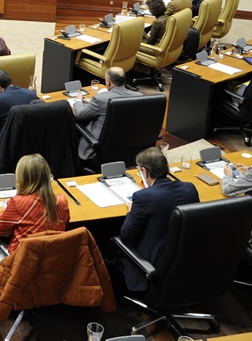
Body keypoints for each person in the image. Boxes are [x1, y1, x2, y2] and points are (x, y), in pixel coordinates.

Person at [118, 147, 199, 292]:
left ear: (145, 172)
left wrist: (131, 212)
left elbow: (126, 234)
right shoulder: (190, 188)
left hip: (154, 261)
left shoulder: (143, 197)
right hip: (187, 258)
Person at [0, 154, 70, 255]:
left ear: (21, 179)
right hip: (53, 261)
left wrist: (5, 211)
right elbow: (65, 224)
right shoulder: (62, 201)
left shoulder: (18, 202)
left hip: (21, 262)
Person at [72, 67, 141, 162]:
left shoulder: (101, 99)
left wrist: (78, 101)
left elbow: (80, 115)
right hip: (129, 150)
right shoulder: (139, 97)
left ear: (108, 82)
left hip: (100, 151)